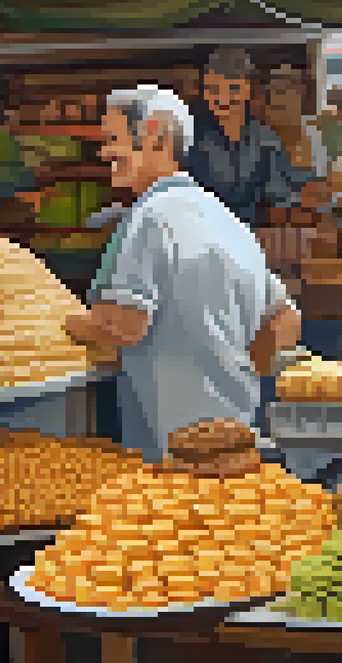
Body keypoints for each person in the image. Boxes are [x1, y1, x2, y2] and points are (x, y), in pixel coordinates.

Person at [64, 85, 302, 463]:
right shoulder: (225, 219)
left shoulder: (151, 219)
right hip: (236, 442)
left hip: (169, 447)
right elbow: (284, 322)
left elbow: (127, 325)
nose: (105, 152)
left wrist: (67, 324)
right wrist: (229, 376)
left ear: (155, 133)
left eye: (113, 139)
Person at [183, 46, 306, 228]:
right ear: (205, 92)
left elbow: (280, 194)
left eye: (233, 88)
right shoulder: (189, 139)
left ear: (248, 90)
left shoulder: (266, 140)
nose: (223, 97)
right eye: (214, 89)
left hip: (252, 238)